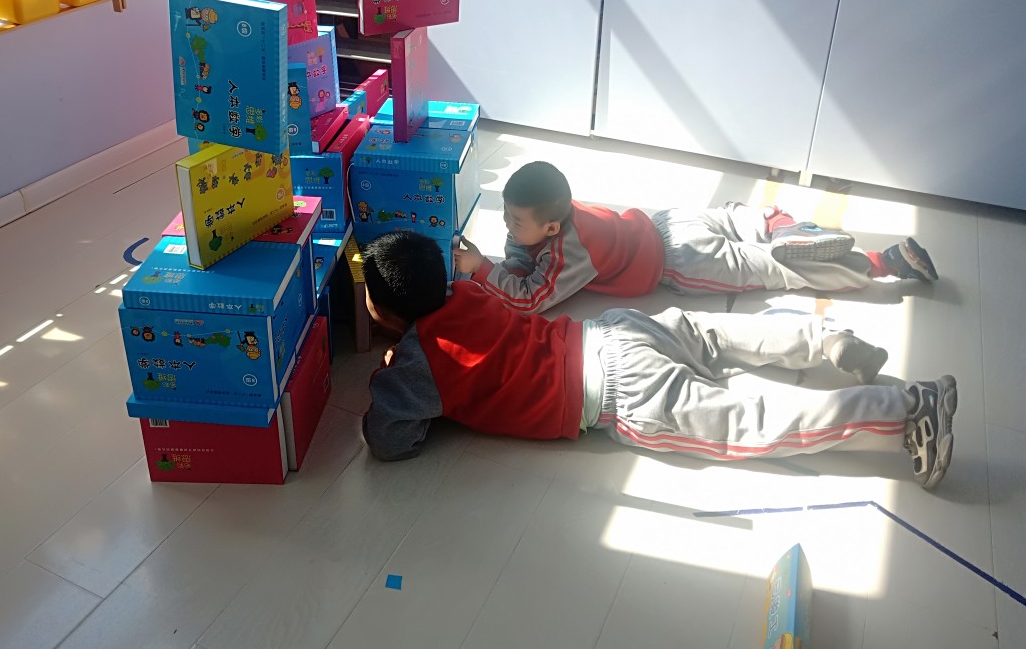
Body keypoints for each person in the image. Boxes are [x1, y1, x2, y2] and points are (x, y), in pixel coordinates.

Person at [361, 231, 957, 490]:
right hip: (611, 332)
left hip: (620, 396)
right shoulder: (464, 291)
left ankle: (907, 410)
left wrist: (395, 370)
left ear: (385, 312)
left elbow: (389, 439)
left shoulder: (417, 364)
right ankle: (822, 339)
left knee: (748, 423)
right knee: (714, 334)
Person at [452, 161, 939, 314]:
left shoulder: (568, 250)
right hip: (669, 221)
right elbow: (524, 251)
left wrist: (484, 271)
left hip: (678, 262)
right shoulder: (563, 211)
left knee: (772, 269)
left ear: (551, 229)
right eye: (507, 215)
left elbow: (533, 300)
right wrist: (512, 257)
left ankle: (884, 261)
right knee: (743, 217)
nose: (507, 225)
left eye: (515, 221)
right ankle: (784, 226)